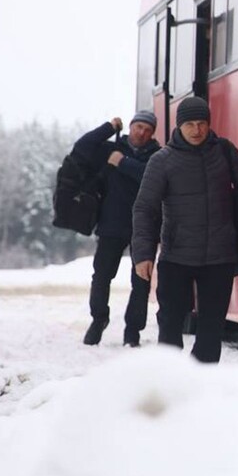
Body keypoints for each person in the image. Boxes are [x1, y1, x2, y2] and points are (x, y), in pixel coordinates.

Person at [131, 96, 238, 364]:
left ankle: (202, 387)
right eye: (190, 124)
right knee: (169, 326)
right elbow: (145, 208)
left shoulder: (225, 151)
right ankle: (170, 383)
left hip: (219, 257)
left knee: (211, 329)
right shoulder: (162, 160)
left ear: (209, 124)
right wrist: (143, 254)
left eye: (201, 123)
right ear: (179, 127)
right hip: (176, 256)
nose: (196, 130)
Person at [72, 111, 161, 347]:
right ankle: (98, 319)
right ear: (130, 127)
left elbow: (151, 176)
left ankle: (133, 331)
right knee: (101, 276)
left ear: (152, 134)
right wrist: (109, 128)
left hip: (144, 227)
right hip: (111, 223)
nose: (141, 132)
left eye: (147, 129)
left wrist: (122, 162)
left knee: (141, 281)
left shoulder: (158, 156)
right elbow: (82, 147)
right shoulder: (110, 148)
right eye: (138, 126)